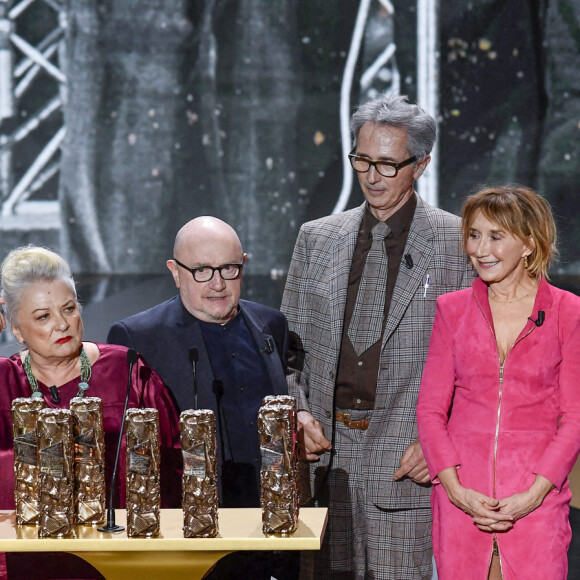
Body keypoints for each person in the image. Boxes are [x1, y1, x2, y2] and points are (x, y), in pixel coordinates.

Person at [281, 93, 474, 579]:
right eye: (362, 160)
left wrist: (442, 441)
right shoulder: (317, 238)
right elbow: (284, 353)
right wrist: (298, 412)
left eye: (388, 164)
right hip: (322, 459)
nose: (372, 176)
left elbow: (483, 366)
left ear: (421, 164)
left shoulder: (458, 245)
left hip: (406, 459)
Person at [107, 216, 297, 580]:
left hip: (268, 512)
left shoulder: (271, 323)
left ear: (243, 263)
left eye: (228, 268)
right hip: (192, 520)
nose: (218, 283)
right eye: (202, 271)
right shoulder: (138, 336)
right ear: (175, 272)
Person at [417, 185, 580, 580]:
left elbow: (574, 418)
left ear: (528, 243)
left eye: (495, 236)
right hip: (461, 504)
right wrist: (456, 491)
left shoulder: (567, 311)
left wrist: (533, 496)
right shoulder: (451, 309)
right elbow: (430, 410)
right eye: (474, 235)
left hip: (536, 505)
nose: (480, 249)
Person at [0, 245, 181, 579]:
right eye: (43, 316)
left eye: (69, 309)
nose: (62, 324)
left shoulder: (127, 371)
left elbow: (172, 470)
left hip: (120, 557)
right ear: (16, 329)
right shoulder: (2, 382)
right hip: (22, 560)